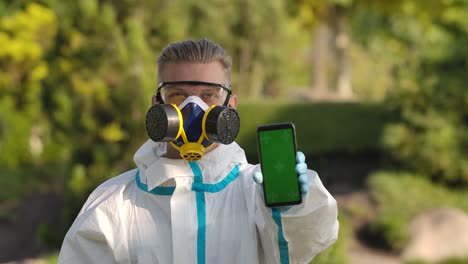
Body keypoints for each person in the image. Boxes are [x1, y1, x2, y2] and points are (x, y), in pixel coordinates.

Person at [58, 39, 339, 264]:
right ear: (158, 105)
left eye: (209, 95)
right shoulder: (114, 205)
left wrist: (296, 205)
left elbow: (305, 244)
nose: (193, 107)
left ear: (231, 106)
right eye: (177, 95)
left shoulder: (257, 193)